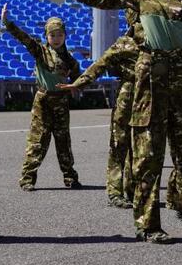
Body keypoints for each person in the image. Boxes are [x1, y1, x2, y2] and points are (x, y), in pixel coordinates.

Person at [46, 0, 182, 244]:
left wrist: (179, 46)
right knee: (149, 152)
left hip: (180, 82)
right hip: (151, 82)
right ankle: (148, 223)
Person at [57, 14, 140, 209]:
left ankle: (133, 189)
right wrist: (78, 84)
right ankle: (115, 192)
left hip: (148, 99)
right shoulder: (124, 43)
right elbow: (99, 66)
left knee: (140, 147)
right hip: (127, 97)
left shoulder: (156, 43)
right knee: (119, 144)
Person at [1, 4, 82, 192]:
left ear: (65, 36)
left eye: (60, 35)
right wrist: (7, 22)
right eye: (52, 35)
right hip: (43, 101)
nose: (56, 38)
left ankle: (70, 177)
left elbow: (79, 77)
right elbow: (24, 38)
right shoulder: (40, 51)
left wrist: (75, 87)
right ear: (46, 36)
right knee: (38, 140)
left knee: (63, 141)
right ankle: (27, 179)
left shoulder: (70, 59)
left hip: (61, 101)